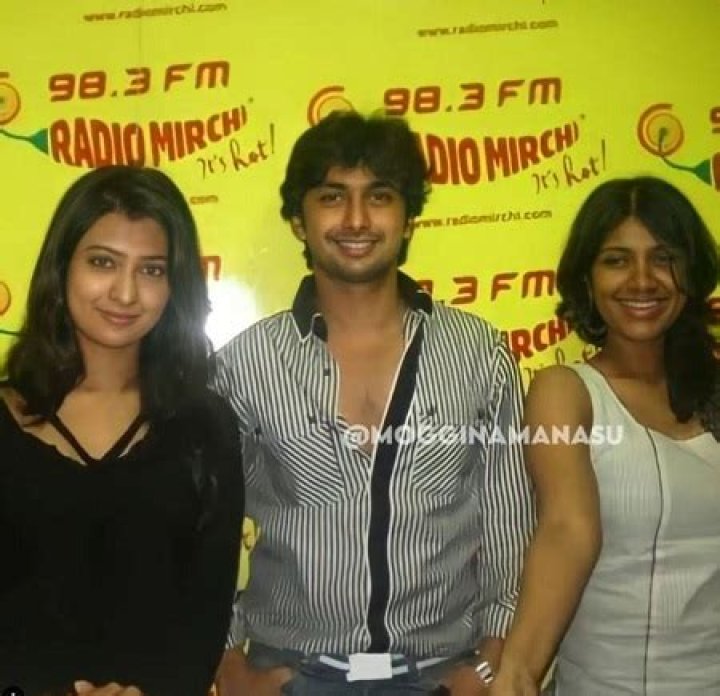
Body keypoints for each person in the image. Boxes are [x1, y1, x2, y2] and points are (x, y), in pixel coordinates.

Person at [213, 111, 535, 696]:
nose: (357, 219)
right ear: (298, 220)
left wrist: (491, 663)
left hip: (443, 676)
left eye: (379, 196)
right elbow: (199, 528)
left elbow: (510, 529)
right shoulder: (245, 364)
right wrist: (229, 662)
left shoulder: (478, 353)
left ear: (408, 218)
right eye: (332, 196)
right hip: (289, 674)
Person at [0, 166, 244, 696]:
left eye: (152, 270)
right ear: (61, 267)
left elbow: (206, 611)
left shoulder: (205, 427)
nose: (126, 292)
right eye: (103, 262)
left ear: (175, 286)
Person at [521, 176, 720, 694]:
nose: (642, 280)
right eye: (616, 260)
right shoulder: (566, 391)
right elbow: (567, 529)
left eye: (663, 258)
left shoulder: (713, 391)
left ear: (692, 273)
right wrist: (517, 672)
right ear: (586, 279)